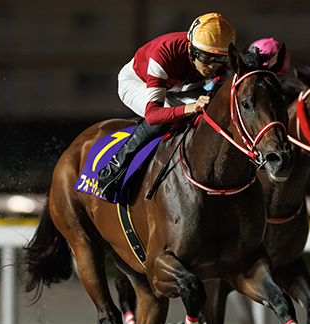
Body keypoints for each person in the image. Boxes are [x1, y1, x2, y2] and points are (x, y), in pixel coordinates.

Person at [97, 12, 237, 199]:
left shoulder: (220, 62)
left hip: (181, 86)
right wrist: (192, 107)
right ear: (192, 50)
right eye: (206, 58)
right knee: (165, 120)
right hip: (138, 82)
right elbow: (153, 115)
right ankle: (113, 170)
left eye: (219, 59)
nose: (212, 67)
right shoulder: (165, 52)